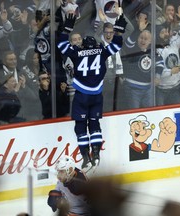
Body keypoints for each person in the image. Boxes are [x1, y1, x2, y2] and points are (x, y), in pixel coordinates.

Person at [57, 12, 126, 172]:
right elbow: (116, 45)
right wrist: (119, 31)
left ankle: (85, 156)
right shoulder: (101, 52)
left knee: (80, 126)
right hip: (97, 95)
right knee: (94, 124)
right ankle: (96, 154)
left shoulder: (77, 52)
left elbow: (62, 46)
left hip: (81, 95)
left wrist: (66, 30)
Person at [94, 8, 133, 112]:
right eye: (106, 32)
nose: (108, 35)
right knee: (104, 107)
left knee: (118, 107)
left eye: (111, 32)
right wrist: (102, 20)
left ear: (114, 33)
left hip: (117, 80)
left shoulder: (117, 42)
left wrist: (121, 14)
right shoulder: (100, 44)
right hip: (104, 81)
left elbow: (130, 29)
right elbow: (95, 36)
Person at [155, 6, 180, 106]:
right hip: (161, 89)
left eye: (166, 31)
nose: (165, 33)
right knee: (160, 116)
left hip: (176, 87)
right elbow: (156, 73)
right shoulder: (155, 49)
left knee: (178, 113)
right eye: (162, 32)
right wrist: (171, 71)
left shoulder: (174, 42)